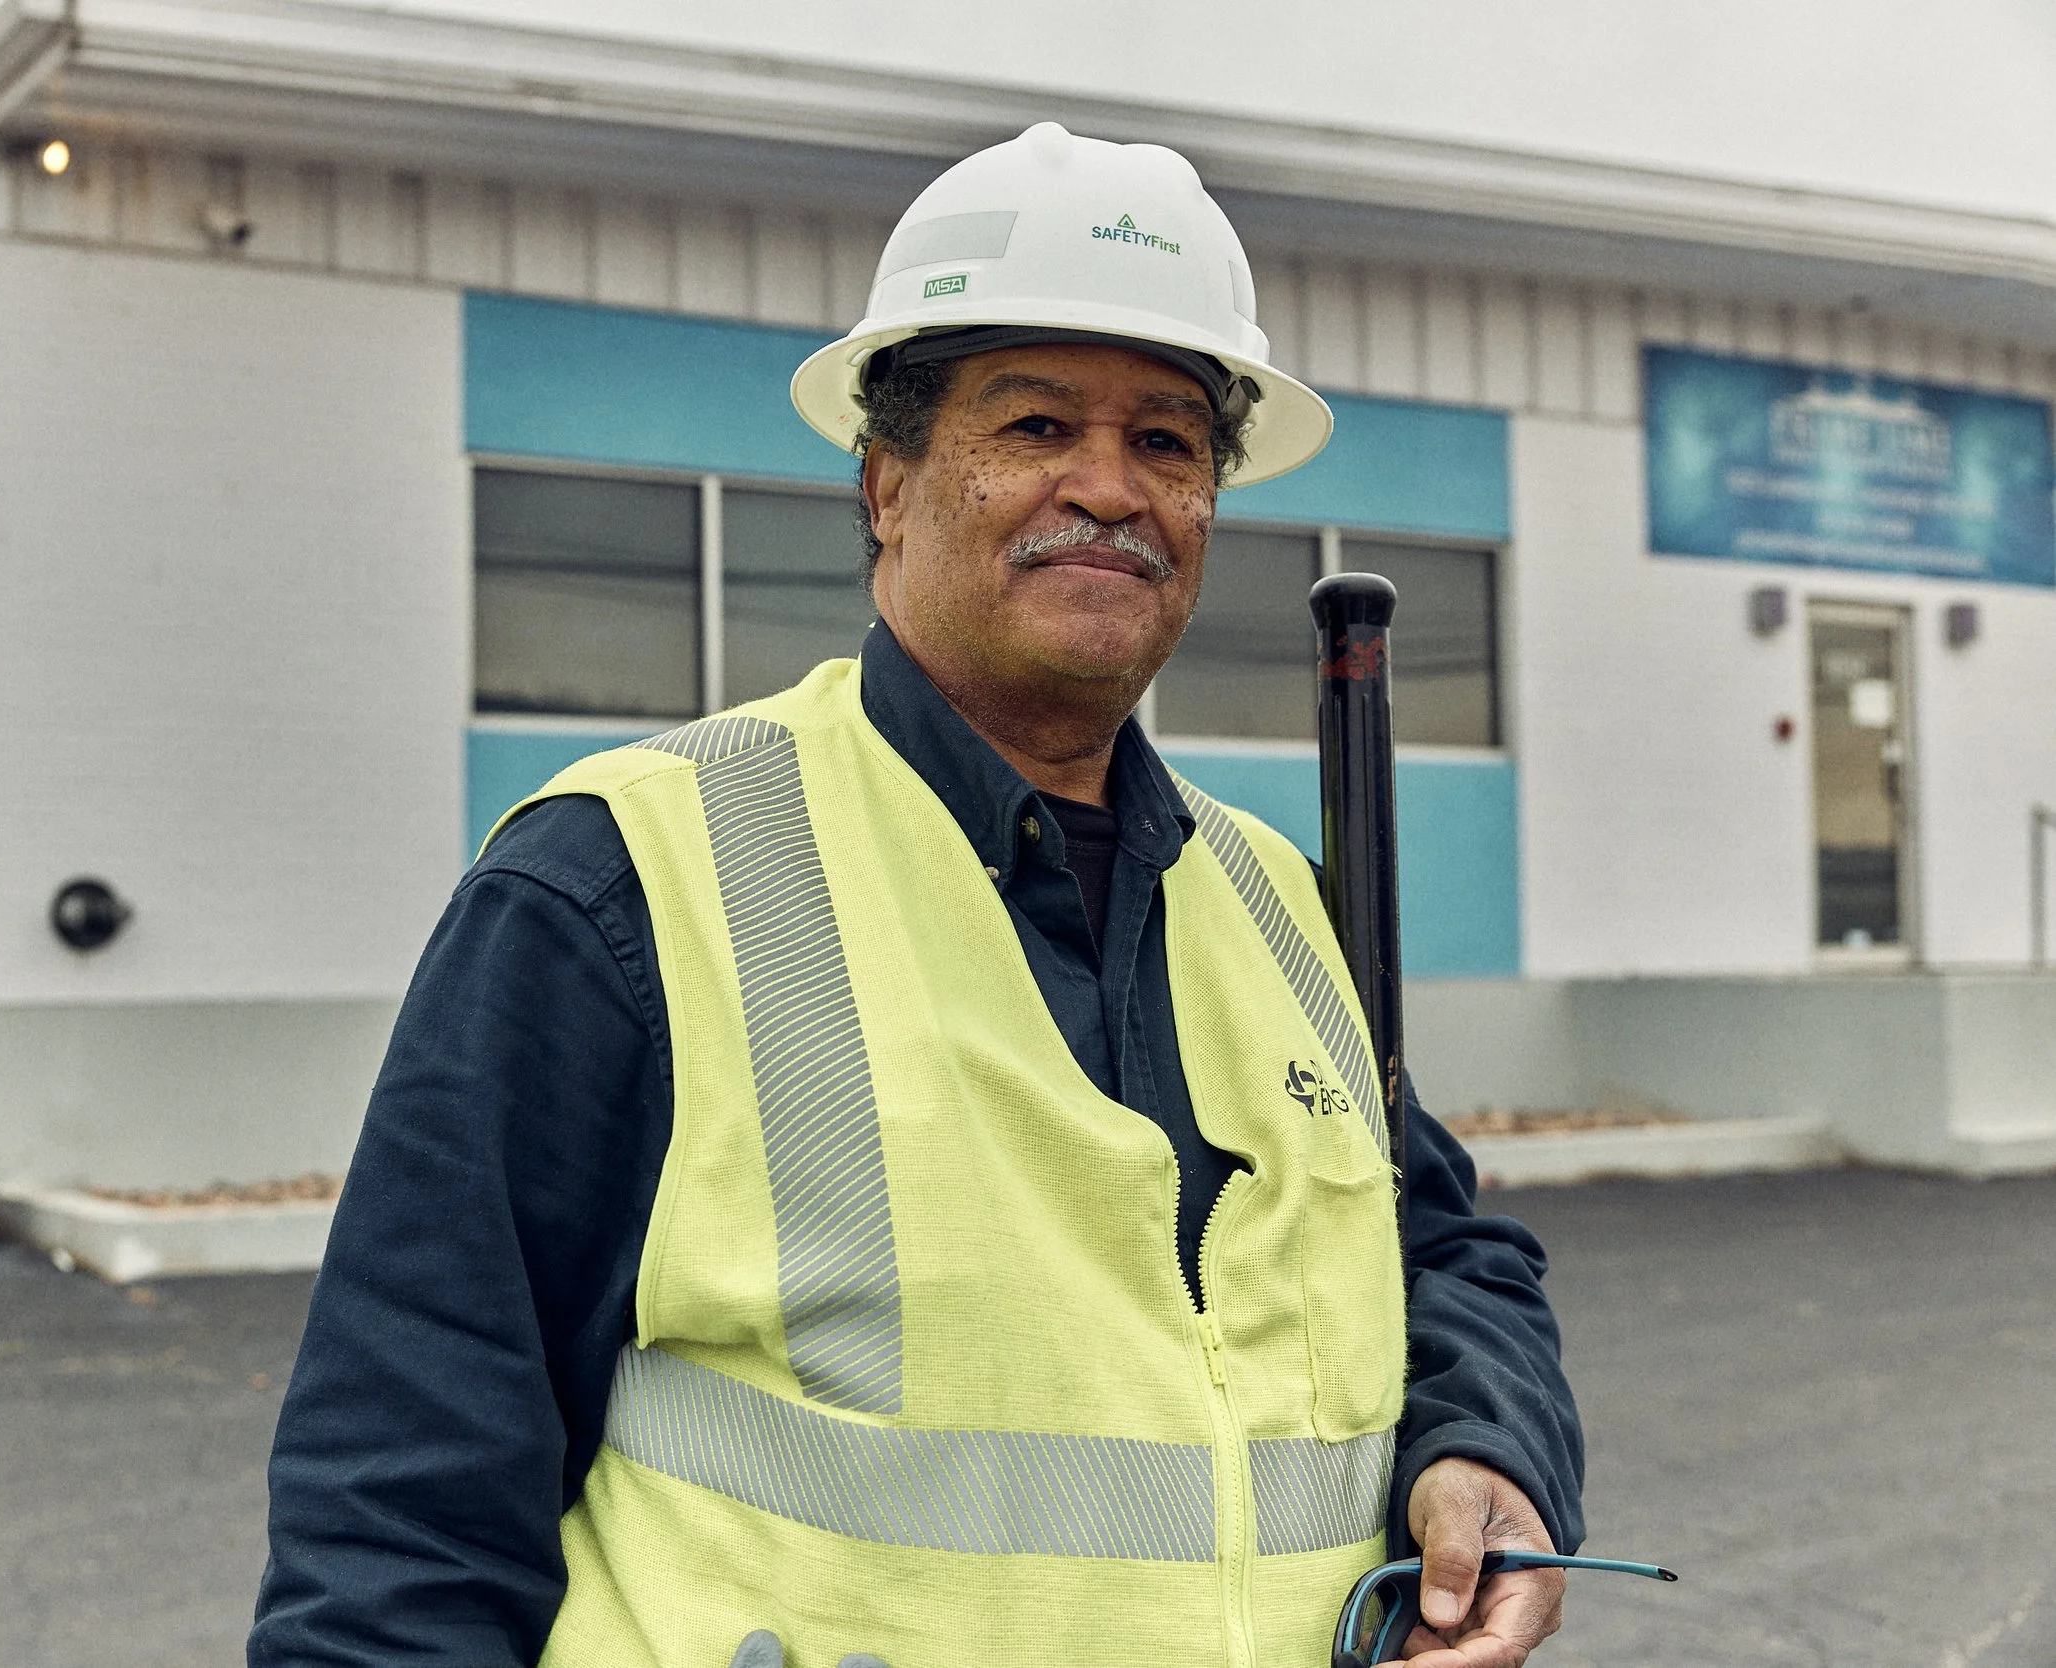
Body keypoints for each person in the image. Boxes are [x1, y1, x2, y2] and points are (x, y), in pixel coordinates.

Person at [252, 123, 1581, 1668]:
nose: (1111, 488)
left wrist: (1485, 1446)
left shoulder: (1280, 902)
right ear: (887, 485)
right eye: (1036, 423)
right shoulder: (619, 881)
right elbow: (400, 1519)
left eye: (1167, 443)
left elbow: (1436, 1251)